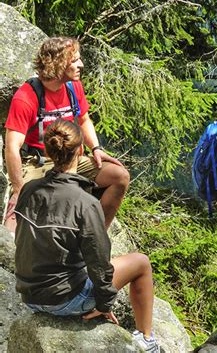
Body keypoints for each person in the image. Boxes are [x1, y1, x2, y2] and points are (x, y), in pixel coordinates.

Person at [14, 119, 160, 352]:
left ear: (48, 151)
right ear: (81, 151)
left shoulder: (29, 189)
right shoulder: (86, 203)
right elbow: (99, 261)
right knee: (141, 263)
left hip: (29, 295)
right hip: (65, 301)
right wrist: (104, 303)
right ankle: (146, 339)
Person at [3, 36, 129, 232]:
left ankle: (95, 238)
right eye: (75, 60)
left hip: (71, 160)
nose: (81, 64)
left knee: (119, 176)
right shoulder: (26, 97)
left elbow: (84, 119)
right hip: (38, 162)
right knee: (16, 218)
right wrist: (19, 189)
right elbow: (12, 147)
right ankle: (10, 256)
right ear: (59, 64)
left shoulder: (73, 87)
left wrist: (95, 148)